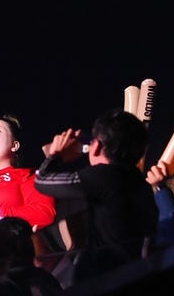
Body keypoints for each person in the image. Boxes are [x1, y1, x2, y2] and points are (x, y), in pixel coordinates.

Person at [34, 108, 158, 284]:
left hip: (107, 280)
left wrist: (57, 155)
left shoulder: (105, 176)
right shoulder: (139, 182)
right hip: (137, 274)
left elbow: (42, 182)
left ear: (98, 145)